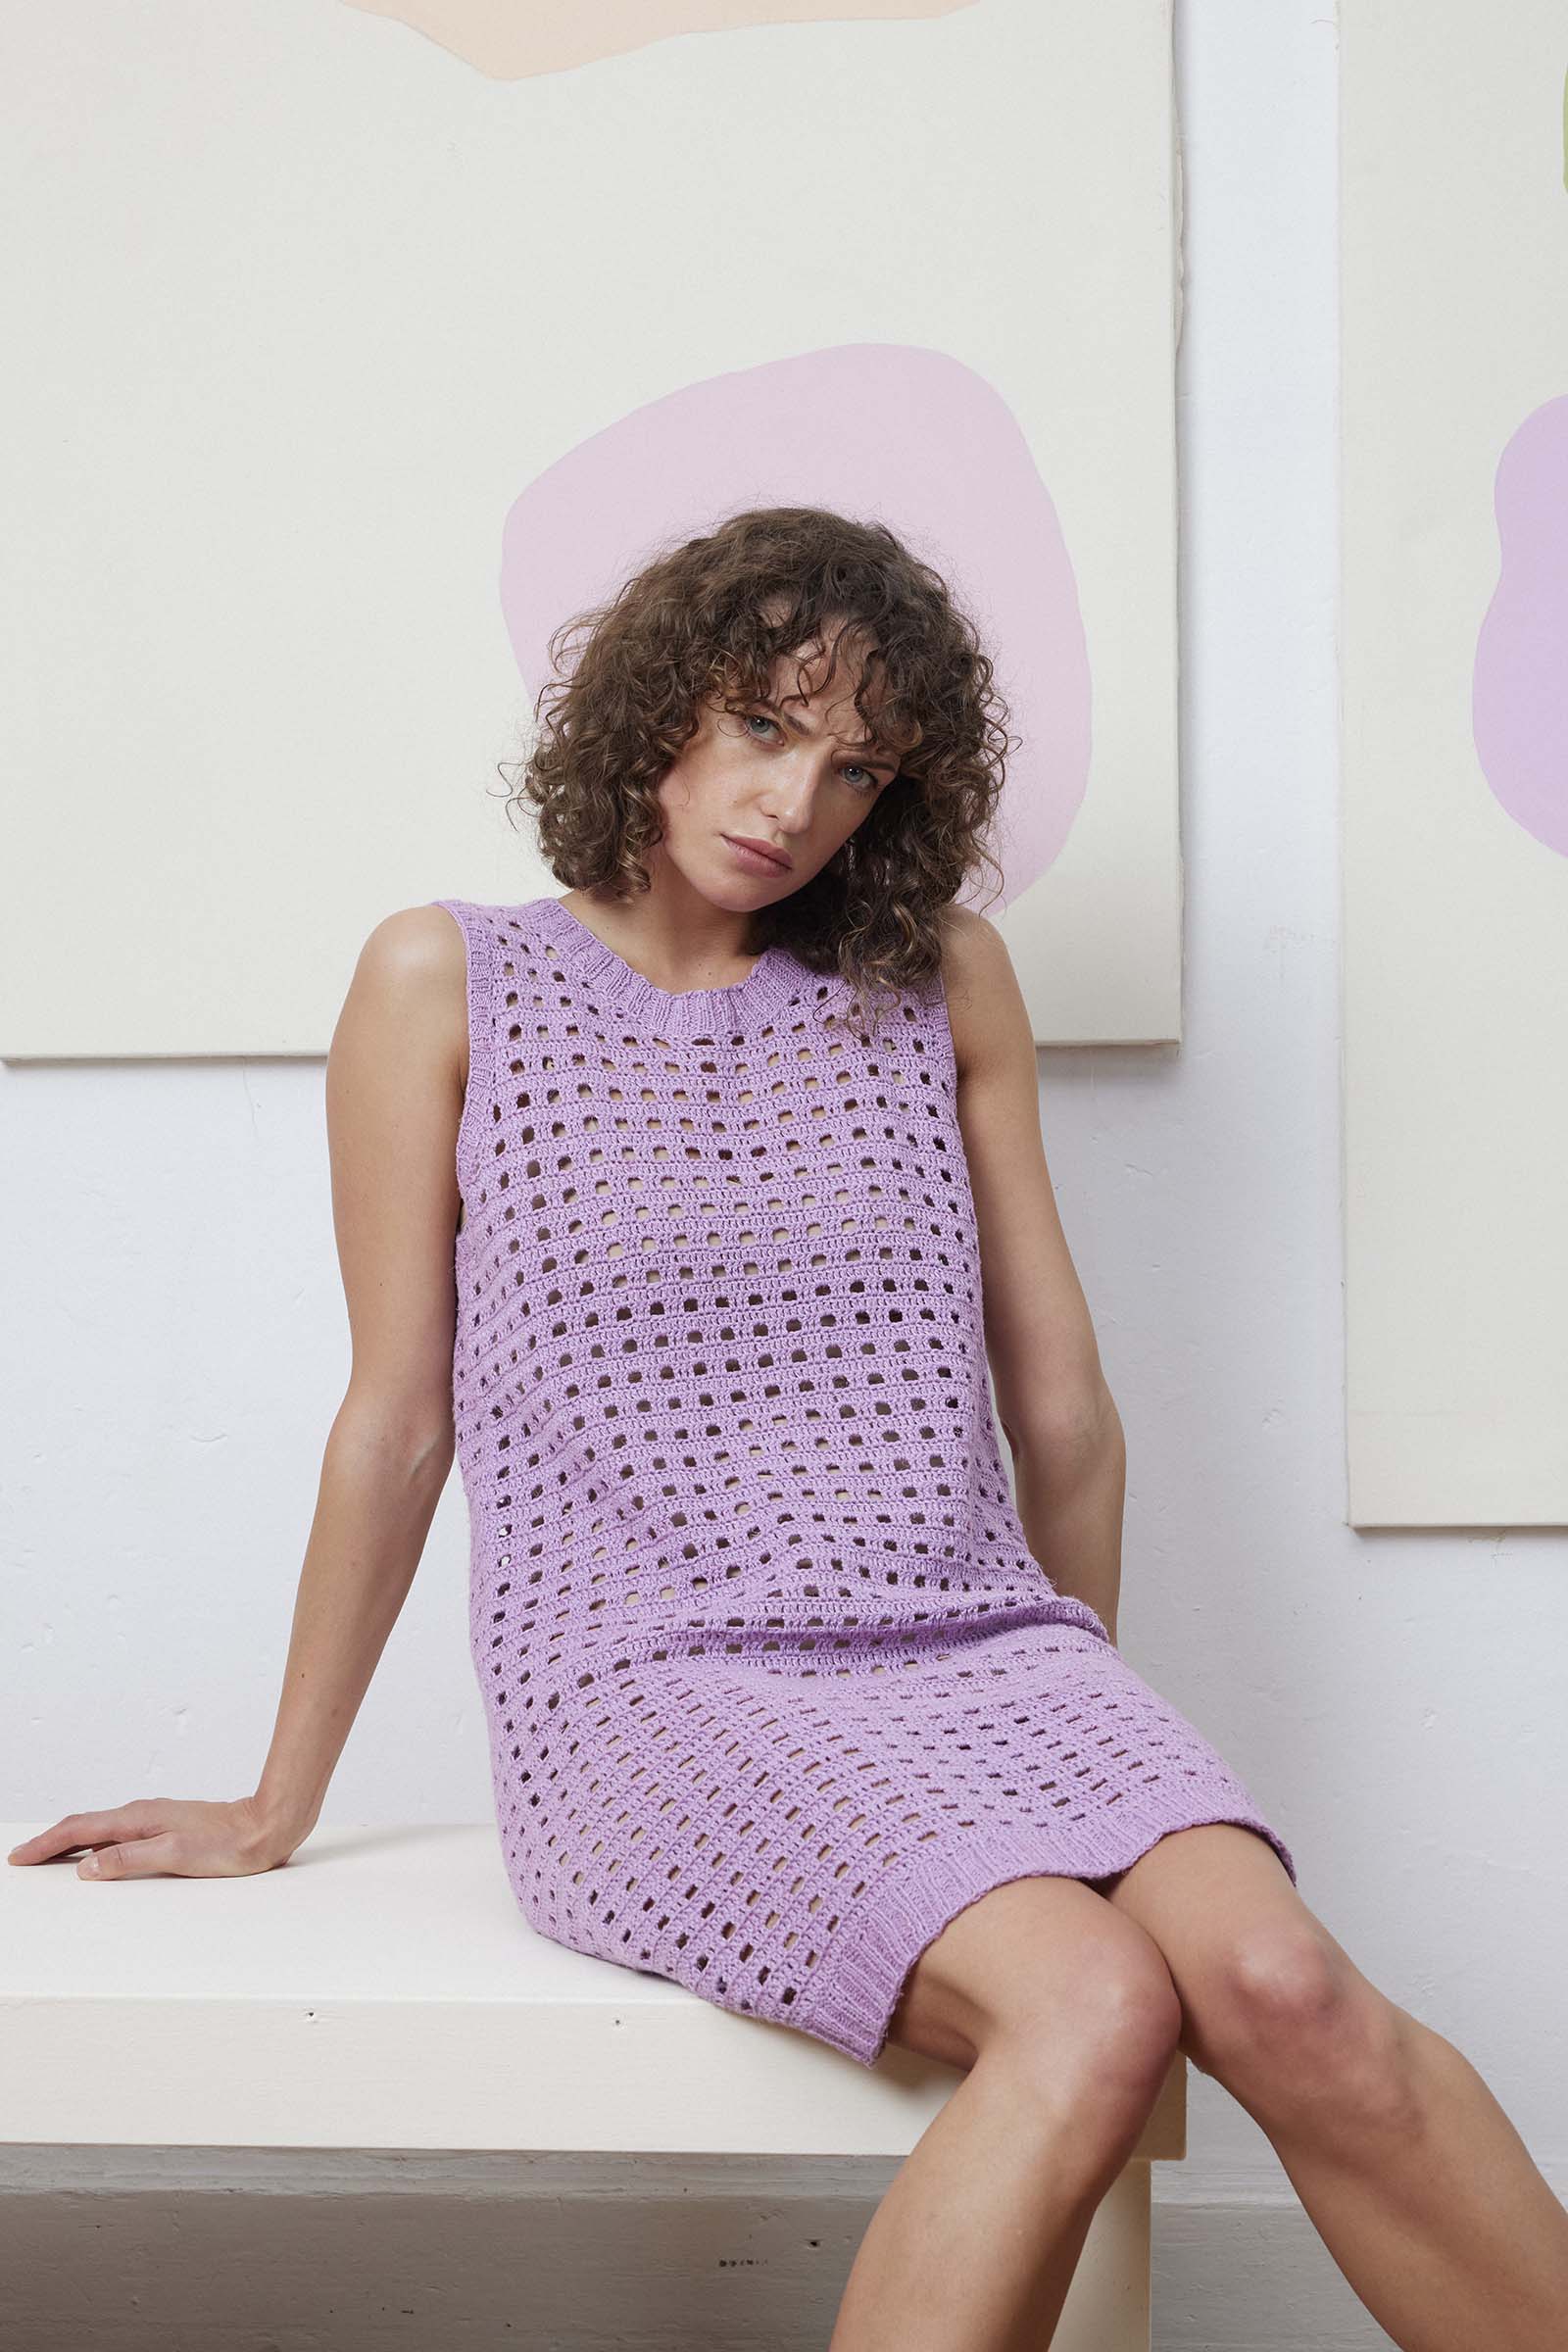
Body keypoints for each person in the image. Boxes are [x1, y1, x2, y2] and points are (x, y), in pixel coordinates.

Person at [13, 508, 1566, 2349]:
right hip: (652, 1682)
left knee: (1289, 1990)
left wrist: (1078, 1728)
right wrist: (279, 1802)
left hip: (986, 1651)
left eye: (856, 769)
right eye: (763, 724)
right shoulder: (447, 979)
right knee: (1093, 2004)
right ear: (659, 706)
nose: (794, 803)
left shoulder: (941, 978)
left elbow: (1063, 1410)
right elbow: (398, 1421)